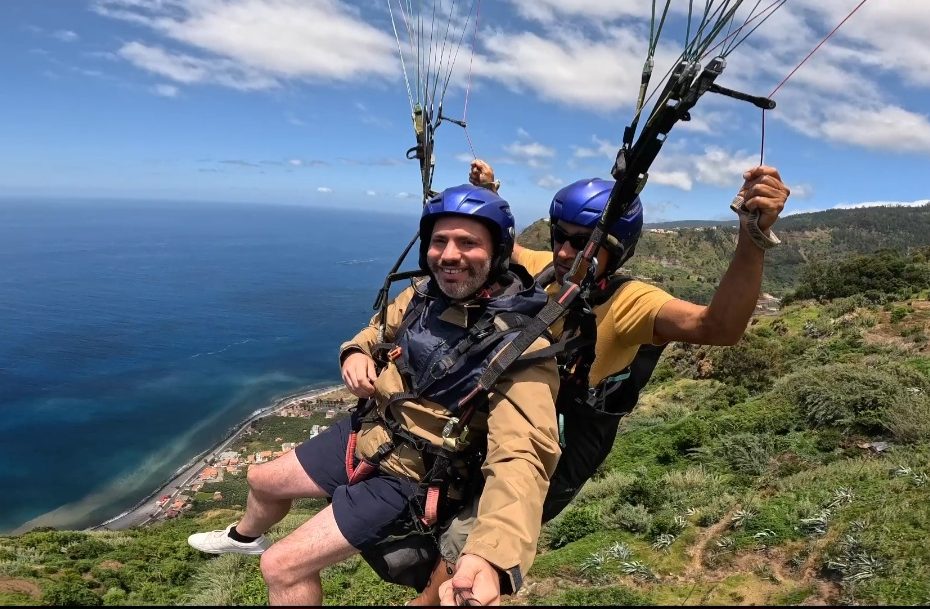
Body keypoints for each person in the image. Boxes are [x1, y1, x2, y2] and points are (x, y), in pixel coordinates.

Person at [398, 158, 789, 605]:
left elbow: (717, 326)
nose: (566, 252)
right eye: (560, 236)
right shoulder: (550, 272)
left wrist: (753, 237)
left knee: (471, 543)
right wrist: (489, 192)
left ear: (616, 249)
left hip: (567, 435)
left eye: (583, 243)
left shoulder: (632, 303)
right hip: (513, 413)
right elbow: (499, 248)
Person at [187, 184, 561, 606]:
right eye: (440, 241)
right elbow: (375, 331)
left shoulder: (521, 346)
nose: (449, 254)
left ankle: (269, 558)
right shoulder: (424, 295)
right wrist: (354, 353)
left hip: (412, 475)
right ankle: (243, 537)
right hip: (369, 432)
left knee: (282, 566)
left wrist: (490, 554)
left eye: (468, 243)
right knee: (261, 480)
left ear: (499, 251)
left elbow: (523, 456)